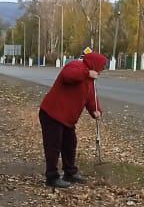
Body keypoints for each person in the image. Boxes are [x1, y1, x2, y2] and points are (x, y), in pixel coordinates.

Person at [38, 50, 107, 189]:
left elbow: (91, 97)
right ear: (95, 64)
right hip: (52, 113)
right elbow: (67, 76)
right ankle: (51, 177)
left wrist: (96, 110)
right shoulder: (76, 66)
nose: (103, 69)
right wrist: (87, 73)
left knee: (70, 144)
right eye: (102, 66)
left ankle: (70, 173)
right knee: (53, 145)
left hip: (66, 118)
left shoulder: (90, 81)